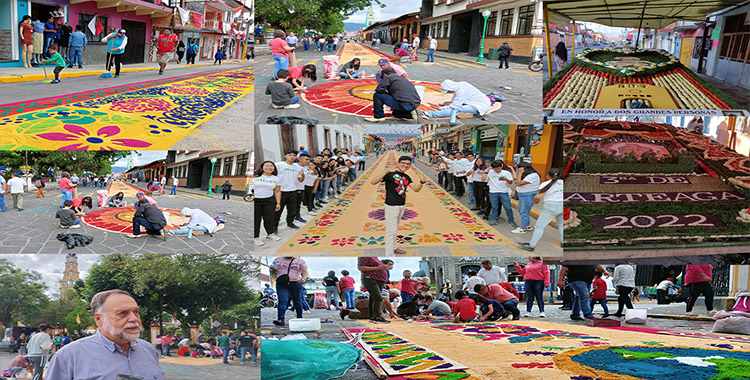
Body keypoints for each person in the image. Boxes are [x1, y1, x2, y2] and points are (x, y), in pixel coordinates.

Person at [46, 290, 165, 379]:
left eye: (136, 312)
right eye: (123, 313)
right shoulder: (68, 356)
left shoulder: (149, 350)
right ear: (99, 319)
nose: (134, 319)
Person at [369, 156, 426, 255]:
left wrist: (422, 182)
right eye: (403, 163)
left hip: (401, 205)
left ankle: (394, 247)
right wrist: (386, 171)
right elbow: (373, 181)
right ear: (398, 163)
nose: (405, 165)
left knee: (395, 228)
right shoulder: (390, 174)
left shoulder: (407, 177)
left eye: (408, 164)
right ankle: (389, 254)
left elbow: (416, 189)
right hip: (391, 205)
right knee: (391, 231)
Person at [519, 168, 564, 250]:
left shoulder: (545, 184)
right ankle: (563, 242)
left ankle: (531, 245)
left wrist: (536, 201)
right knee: (561, 225)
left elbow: (538, 197)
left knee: (539, 227)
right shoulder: (563, 183)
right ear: (560, 175)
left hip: (551, 206)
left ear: (547, 176)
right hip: (563, 206)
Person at [422, 80, 491, 124]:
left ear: (450, 89)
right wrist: (446, 105)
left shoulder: (461, 91)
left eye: (447, 91)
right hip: (475, 102)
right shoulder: (459, 86)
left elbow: (455, 105)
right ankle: (437, 112)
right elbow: (455, 100)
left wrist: (441, 108)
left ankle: (430, 114)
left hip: (480, 106)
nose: (448, 93)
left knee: (455, 109)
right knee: (449, 106)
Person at [270, 257, 308, 326]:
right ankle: (280, 319)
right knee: (282, 300)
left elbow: (304, 271)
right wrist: (273, 268)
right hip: (282, 283)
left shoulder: (300, 261)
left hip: (295, 283)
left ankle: (300, 318)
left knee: (297, 301)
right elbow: (272, 268)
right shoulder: (277, 260)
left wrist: (304, 278)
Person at [275, 150, 305, 231]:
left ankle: (290, 222)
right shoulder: (278, 165)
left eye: (294, 155)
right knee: (278, 209)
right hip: (281, 191)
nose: (292, 157)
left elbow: (300, 180)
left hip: (293, 190)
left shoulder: (297, 167)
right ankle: (274, 226)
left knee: (292, 209)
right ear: (285, 156)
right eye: (290, 155)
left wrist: (303, 175)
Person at [254, 161, 282, 245]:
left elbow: (277, 191)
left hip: (269, 200)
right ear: (262, 167)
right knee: (256, 219)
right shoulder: (255, 177)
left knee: (269, 218)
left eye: (271, 166)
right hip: (256, 201)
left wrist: (278, 203)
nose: (269, 167)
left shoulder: (276, 178)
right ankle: (256, 237)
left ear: (274, 168)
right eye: (266, 165)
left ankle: (270, 234)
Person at [358, 257, 391, 323]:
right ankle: (377, 316)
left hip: (379, 280)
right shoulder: (364, 256)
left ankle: (373, 316)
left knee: (373, 298)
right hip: (370, 278)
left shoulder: (375, 257)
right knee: (378, 298)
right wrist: (378, 268)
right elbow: (361, 267)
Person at [483, 161, 516, 227]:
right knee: (494, 207)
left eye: (499, 168)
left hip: (504, 192)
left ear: (501, 166)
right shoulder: (490, 172)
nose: (498, 170)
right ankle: (494, 219)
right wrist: (487, 172)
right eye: (496, 169)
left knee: (508, 207)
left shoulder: (506, 173)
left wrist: (506, 179)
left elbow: (510, 182)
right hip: (493, 192)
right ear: (492, 168)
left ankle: (511, 220)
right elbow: (483, 180)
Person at [512, 162, 540, 233]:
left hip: (528, 195)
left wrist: (520, 173)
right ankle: (528, 225)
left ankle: (522, 228)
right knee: (520, 209)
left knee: (524, 211)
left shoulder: (532, 175)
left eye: (519, 169)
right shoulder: (529, 175)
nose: (518, 170)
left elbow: (519, 183)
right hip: (523, 195)